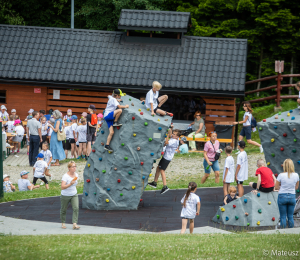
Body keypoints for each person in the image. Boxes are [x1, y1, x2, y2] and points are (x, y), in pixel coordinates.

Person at [148, 127, 180, 194]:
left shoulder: (174, 141)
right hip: (166, 156)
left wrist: (168, 135)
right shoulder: (175, 138)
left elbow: (166, 142)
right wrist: (171, 129)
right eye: (173, 133)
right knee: (158, 168)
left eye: (174, 134)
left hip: (167, 158)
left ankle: (165, 186)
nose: (172, 135)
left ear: (177, 136)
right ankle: (155, 182)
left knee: (162, 170)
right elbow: (171, 135)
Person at [275, 159, 299, 228]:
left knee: (283, 216)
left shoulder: (281, 175)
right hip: (292, 196)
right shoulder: (296, 175)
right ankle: (291, 232)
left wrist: (281, 187)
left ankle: (283, 233)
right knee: (290, 216)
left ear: (284, 166)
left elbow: (276, 187)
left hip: (282, 196)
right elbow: (296, 187)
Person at [60, 161, 80, 230]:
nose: (74, 168)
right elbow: (62, 187)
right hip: (65, 195)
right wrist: (70, 184)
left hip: (74, 194)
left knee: (76, 208)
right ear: (69, 168)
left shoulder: (76, 175)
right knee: (64, 209)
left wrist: (73, 184)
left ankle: (74, 224)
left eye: (75, 166)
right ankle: (63, 222)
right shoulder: (65, 176)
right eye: (73, 167)